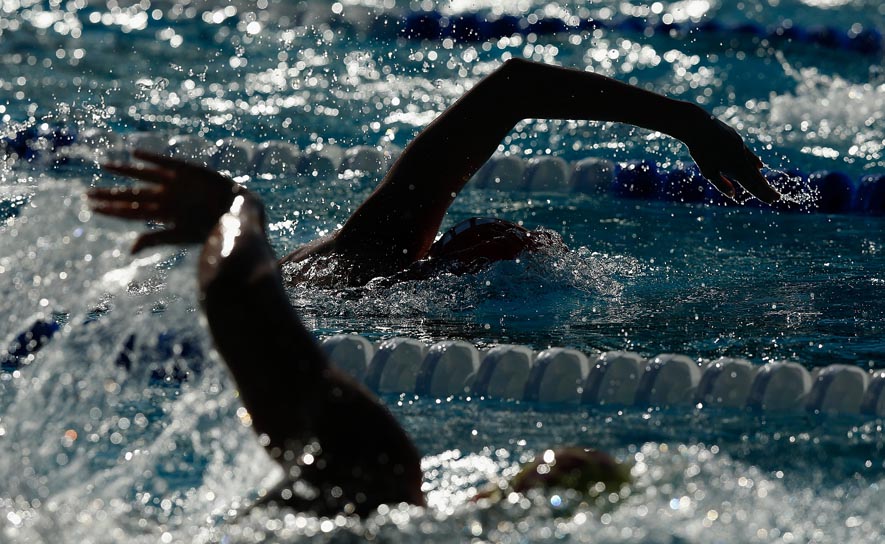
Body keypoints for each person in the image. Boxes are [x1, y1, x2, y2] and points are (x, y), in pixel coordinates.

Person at [87, 58, 779, 516]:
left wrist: (235, 215)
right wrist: (688, 120)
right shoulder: (367, 264)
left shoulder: (373, 457)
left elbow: (246, 311)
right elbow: (514, 88)